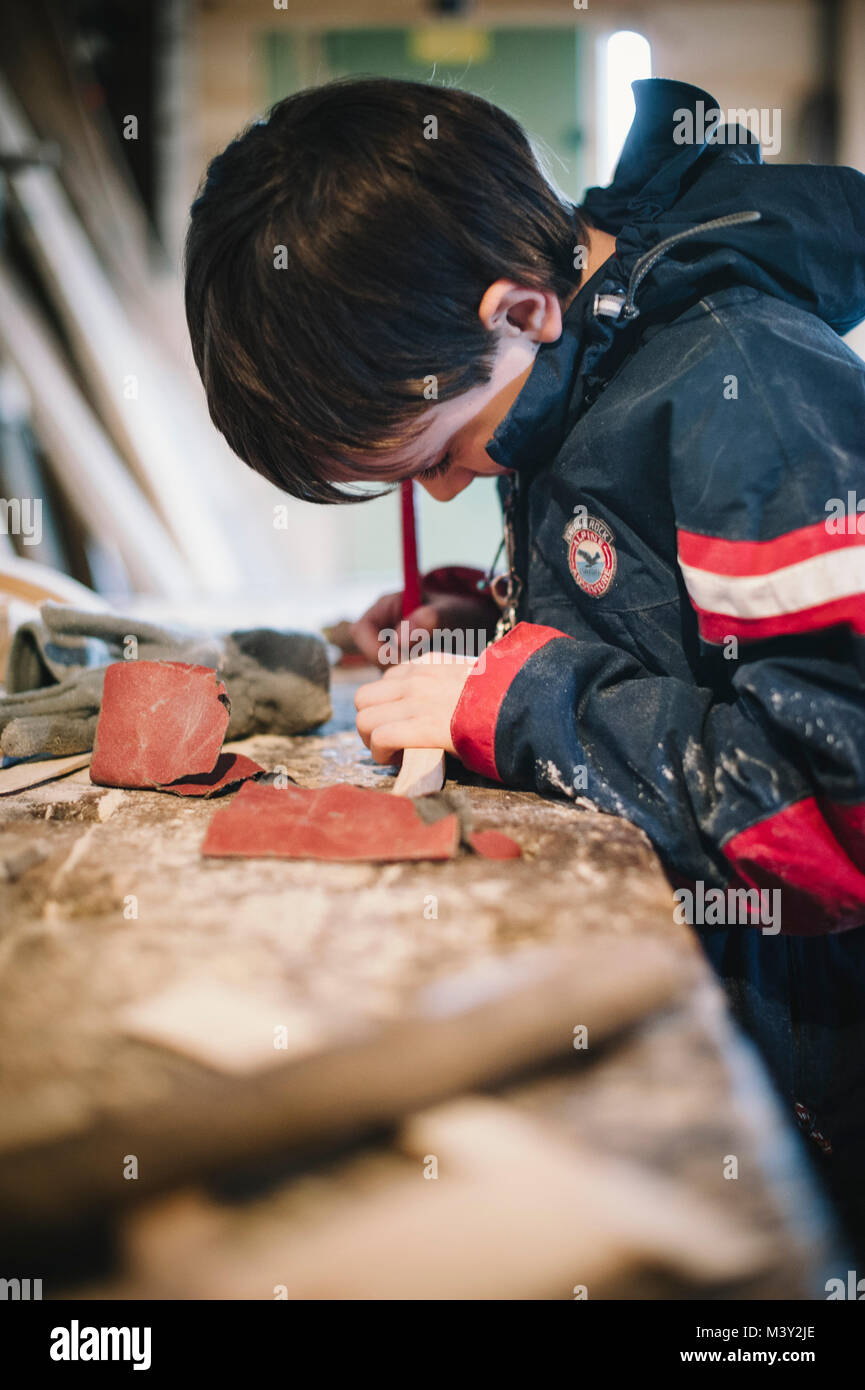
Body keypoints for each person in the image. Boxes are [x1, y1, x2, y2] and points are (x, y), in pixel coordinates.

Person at [185, 75, 865, 1251]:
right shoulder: (590, 359)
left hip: (817, 1078)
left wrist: (522, 698)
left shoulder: (746, 387)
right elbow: (677, 633)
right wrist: (481, 626)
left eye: (445, 452)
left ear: (526, 311)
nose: (445, 488)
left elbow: (835, 816)